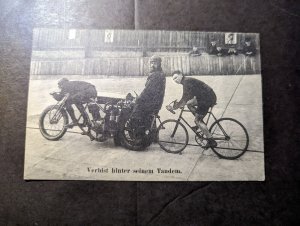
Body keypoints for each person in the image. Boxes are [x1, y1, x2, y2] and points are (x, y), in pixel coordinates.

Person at [167, 71, 217, 148]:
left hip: (206, 98)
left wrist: (175, 107)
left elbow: (185, 97)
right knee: (189, 104)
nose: (175, 80)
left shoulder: (186, 82)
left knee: (197, 121)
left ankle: (211, 141)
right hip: (207, 96)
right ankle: (200, 122)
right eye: (173, 79)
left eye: (176, 77)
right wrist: (180, 104)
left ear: (181, 75)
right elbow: (187, 97)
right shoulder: (186, 81)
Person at [131, 55, 166, 127]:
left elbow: (147, 90)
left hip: (152, 103)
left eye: (155, 63)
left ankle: (139, 134)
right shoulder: (159, 73)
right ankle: (151, 135)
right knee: (148, 119)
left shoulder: (156, 75)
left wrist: (138, 98)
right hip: (156, 102)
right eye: (151, 63)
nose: (152, 65)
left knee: (135, 112)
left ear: (159, 64)